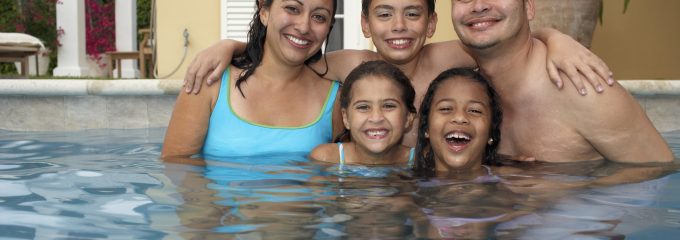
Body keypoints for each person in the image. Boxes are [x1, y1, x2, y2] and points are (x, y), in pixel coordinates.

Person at [182, 0, 615, 147]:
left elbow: (508, 35)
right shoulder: (350, 64)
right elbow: (286, 51)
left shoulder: (453, 56)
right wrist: (231, 45)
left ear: (430, 24)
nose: (399, 27)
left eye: (412, 14)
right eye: (384, 14)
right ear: (366, 25)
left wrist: (556, 38)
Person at [449, 0, 674, 162]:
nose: (478, 6)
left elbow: (658, 177)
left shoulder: (585, 90)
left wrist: (558, 199)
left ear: (529, 7)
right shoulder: (460, 86)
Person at [161, 0, 343, 159]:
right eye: (292, 9)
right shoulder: (210, 82)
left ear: (328, 28)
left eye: (319, 17)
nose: (304, 27)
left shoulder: (336, 98)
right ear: (264, 11)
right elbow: (178, 168)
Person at [310, 60, 417, 170]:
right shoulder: (326, 159)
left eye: (388, 106)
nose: (376, 118)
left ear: (408, 117)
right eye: (363, 107)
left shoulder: (420, 161)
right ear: (346, 118)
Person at [413, 67, 502, 177]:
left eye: (475, 110)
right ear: (426, 127)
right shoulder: (406, 187)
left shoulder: (515, 184)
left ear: (491, 132)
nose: (460, 117)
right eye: (445, 109)